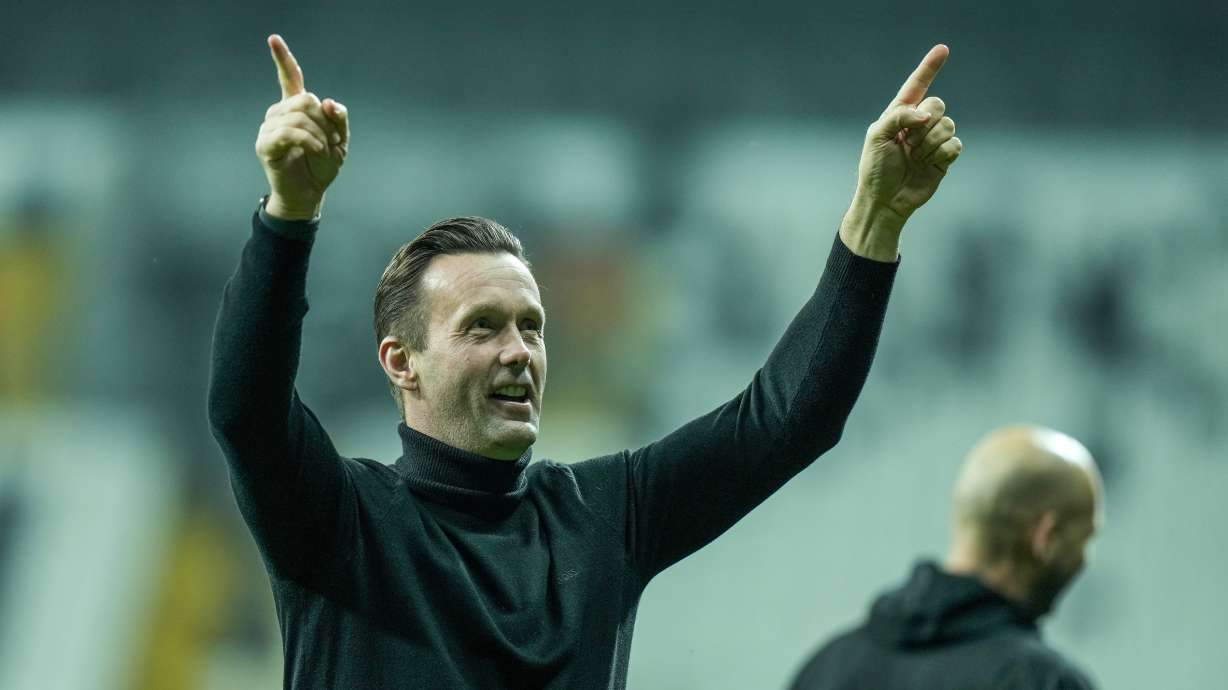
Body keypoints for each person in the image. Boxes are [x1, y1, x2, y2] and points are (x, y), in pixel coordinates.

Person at [208, 34, 962, 689]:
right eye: (482, 327)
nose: (518, 352)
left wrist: (877, 217)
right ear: (402, 362)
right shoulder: (344, 523)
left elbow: (788, 417)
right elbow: (245, 410)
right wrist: (289, 213)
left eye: (531, 328)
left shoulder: (605, 515)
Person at [789, 426, 1104, 690]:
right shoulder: (1043, 682)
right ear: (1047, 537)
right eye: (1087, 538)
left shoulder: (825, 668)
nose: (1086, 558)